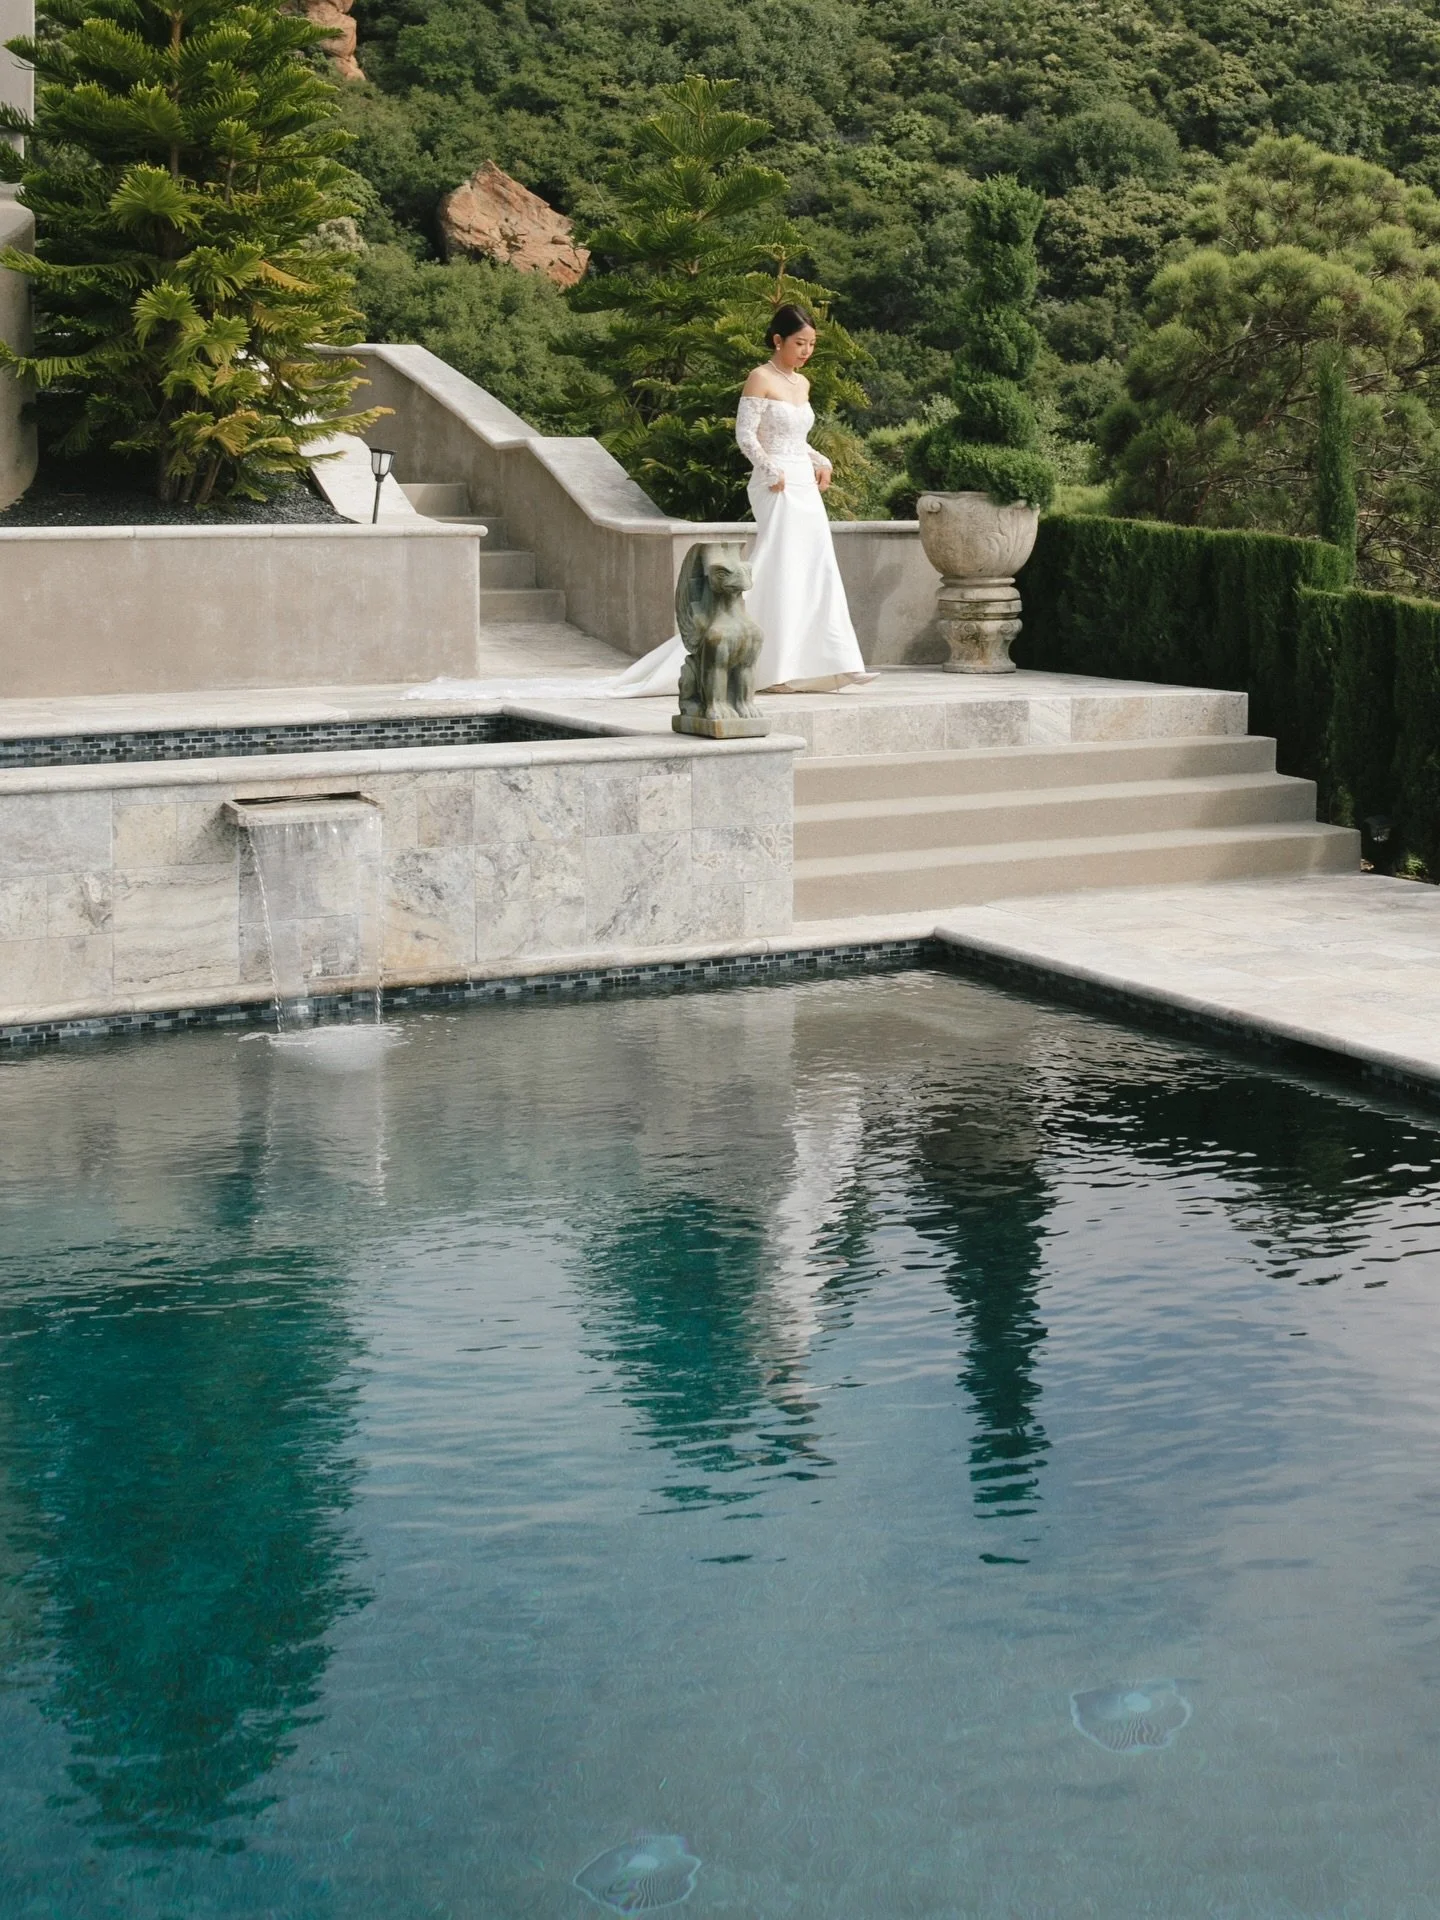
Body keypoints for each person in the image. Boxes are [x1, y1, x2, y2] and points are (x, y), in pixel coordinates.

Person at [612, 305, 877, 697]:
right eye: (799, 343)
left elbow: (797, 440)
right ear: (778, 340)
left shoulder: (801, 384)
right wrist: (771, 470)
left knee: (815, 564)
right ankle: (772, 665)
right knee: (781, 562)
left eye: (811, 344)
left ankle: (834, 662)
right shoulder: (760, 377)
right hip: (775, 484)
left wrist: (822, 460)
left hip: (801, 480)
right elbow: (746, 436)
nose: (806, 350)